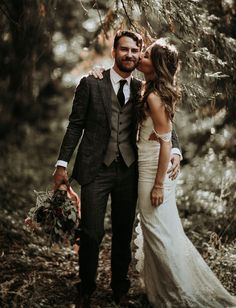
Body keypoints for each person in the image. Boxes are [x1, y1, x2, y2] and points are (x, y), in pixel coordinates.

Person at [53, 31, 182, 307]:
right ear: (114, 52)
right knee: (91, 232)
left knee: (123, 233)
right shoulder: (91, 83)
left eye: (136, 51)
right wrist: (62, 163)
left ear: (139, 55)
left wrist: (176, 150)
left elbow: (166, 120)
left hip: (129, 171)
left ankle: (119, 288)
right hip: (95, 170)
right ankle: (86, 287)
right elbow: (75, 124)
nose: (130, 55)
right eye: (124, 49)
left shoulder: (142, 88)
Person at [134, 38, 236, 307]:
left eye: (145, 55)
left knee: (159, 234)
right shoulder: (150, 90)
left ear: (155, 65)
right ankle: (161, 291)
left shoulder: (155, 97)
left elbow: (166, 142)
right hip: (148, 167)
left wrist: (157, 185)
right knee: (160, 231)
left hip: (153, 174)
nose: (140, 58)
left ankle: (179, 294)